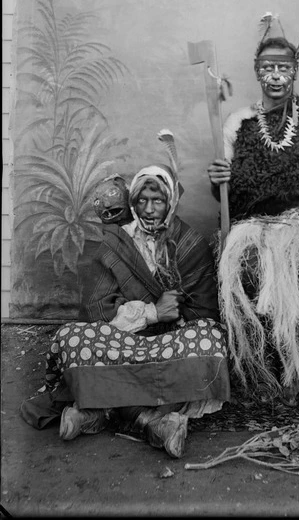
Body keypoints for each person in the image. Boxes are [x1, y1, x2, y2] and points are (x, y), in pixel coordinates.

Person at [20, 163, 231, 458]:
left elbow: (204, 312)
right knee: (72, 336)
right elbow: (98, 310)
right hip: (125, 341)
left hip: (171, 343)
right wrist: (152, 313)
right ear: (133, 203)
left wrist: (177, 319)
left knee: (211, 340)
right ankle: (151, 421)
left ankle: (99, 410)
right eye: (141, 201)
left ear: (169, 202)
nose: (148, 208)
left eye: (157, 200)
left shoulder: (190, 243)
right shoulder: (116, 242)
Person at [208, 14, 299, 402]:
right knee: (244, 265)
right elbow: (222, 195)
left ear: (295, 71)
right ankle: (256, 367)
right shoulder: (239, 123)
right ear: (257, 72)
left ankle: (298, 367)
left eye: (283, 68)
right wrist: (218, 178)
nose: (275, 75)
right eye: (267, 67)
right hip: (253, 224)